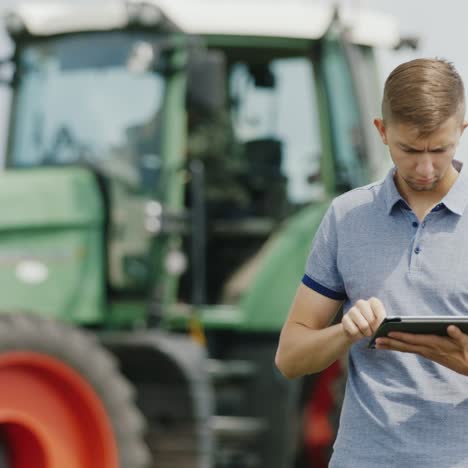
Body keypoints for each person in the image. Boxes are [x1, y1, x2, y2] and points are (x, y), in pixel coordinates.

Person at [275, 58, 468, 468]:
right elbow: (290, 358)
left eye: (440, 149)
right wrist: (345, 334)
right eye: (409, 150)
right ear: (381, 131)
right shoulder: (347, 216)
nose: (426, 167)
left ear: (462, 130)